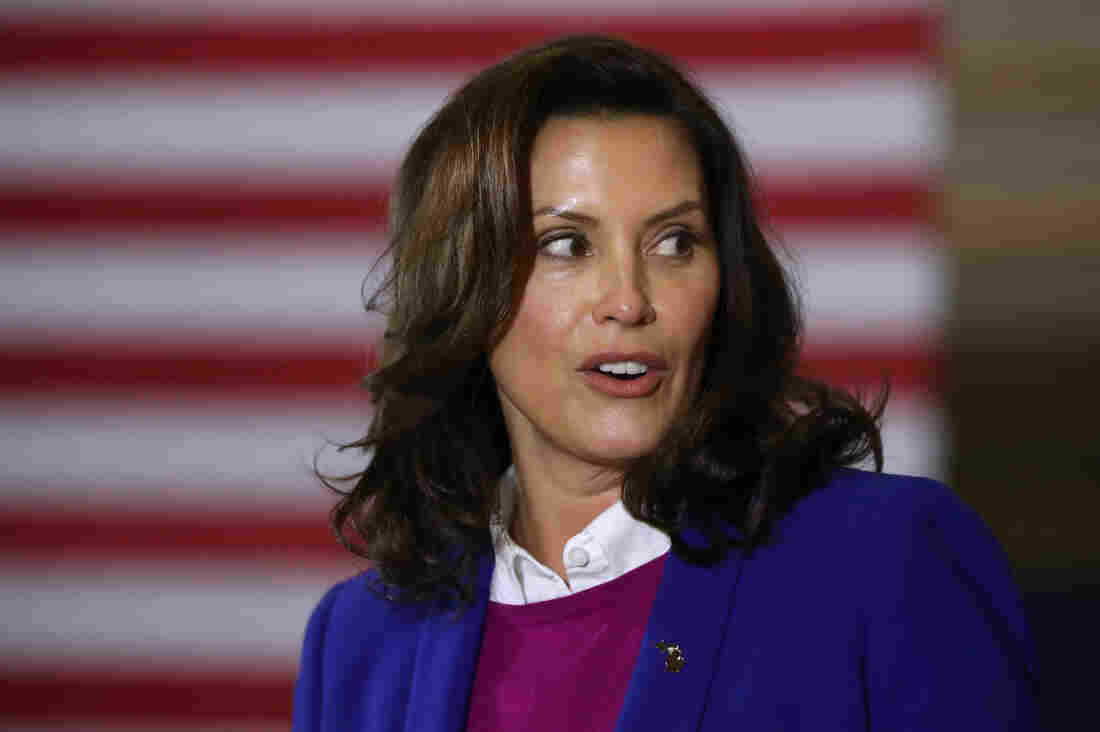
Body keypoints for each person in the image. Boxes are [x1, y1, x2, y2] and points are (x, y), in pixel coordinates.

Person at [293, 35, 1039, 731]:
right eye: (566, 245)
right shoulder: (360, 642)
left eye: (676, 242)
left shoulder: (882, 561)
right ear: (462, 288)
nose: (629, 300)